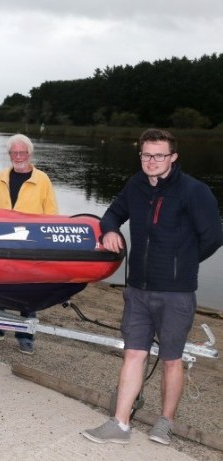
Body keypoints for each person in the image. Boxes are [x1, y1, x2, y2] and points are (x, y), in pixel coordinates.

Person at [82, 129, 222, 446]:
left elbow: (213, 236)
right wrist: (109, 231)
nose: (151, 161)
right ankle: (119, 423)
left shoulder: (193, 191)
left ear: (173, 157)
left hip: (176, 293)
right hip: (137, 290)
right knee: (133, 354)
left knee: (172, 359)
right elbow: (113, 213)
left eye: (159, 155)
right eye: (146, 154)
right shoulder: (137, 185)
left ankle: (165, 422)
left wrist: (181, 263)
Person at [0, 133, 58, 355]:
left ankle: (25, 336)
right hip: (2, 238)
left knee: (28, 290)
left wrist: (47, 243)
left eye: (23, 152)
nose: (19, 156)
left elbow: (51, 213)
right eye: (15, 152)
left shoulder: (42, 179)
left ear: (29, 154)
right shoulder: (2, 176)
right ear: (9, 154)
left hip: (30, 241)